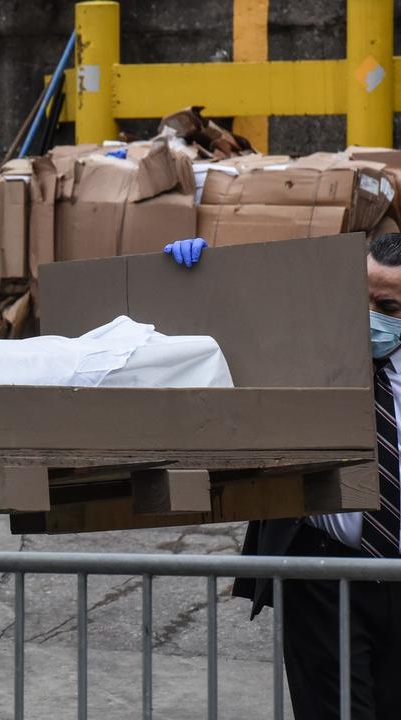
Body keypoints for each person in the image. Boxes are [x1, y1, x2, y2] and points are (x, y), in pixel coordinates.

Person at [168, 234, 401, 719]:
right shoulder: (302, 342)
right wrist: (196, 276)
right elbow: (213, 338)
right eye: (360, 298)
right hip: (321, 571)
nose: (368, 316)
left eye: (388, 306)